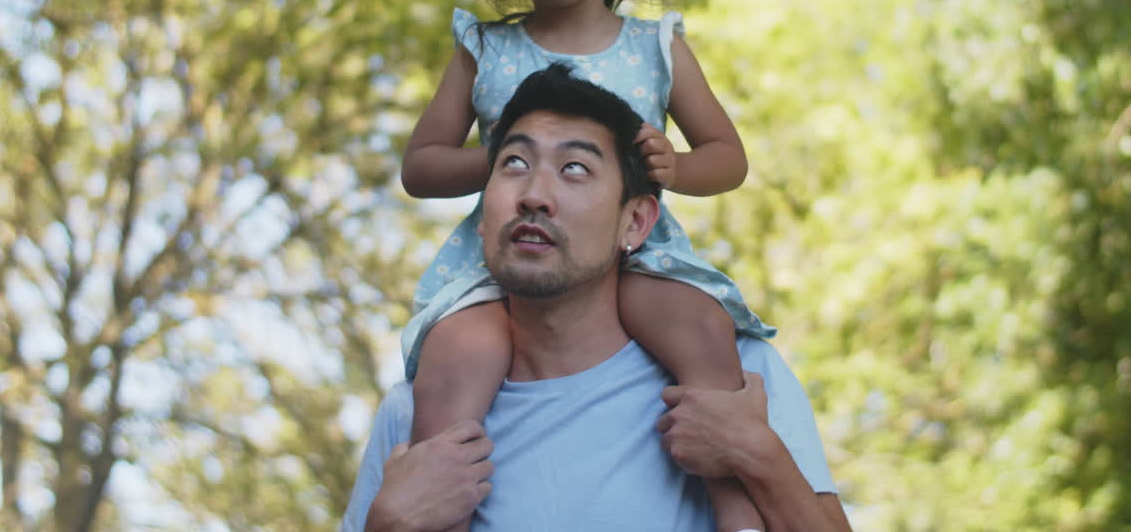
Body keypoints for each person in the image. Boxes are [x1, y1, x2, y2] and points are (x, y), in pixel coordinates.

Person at [399, 0, 775, 531]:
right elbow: (420, 164)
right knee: (458, 354)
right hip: (512, 262)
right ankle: (435, 508)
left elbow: (729, 157)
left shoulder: (656, 45)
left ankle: (738, 509)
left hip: (637, 250)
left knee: (699, 325)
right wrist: (503, 162)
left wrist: (676, 168)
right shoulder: (485, 48)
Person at [343, 64, 851, 531]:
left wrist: (757, 455)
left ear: (635, 222)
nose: (534, 194)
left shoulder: (741, 380)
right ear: (482, 215)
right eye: (515, 163)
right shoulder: (415, 412)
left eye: (575, 169)